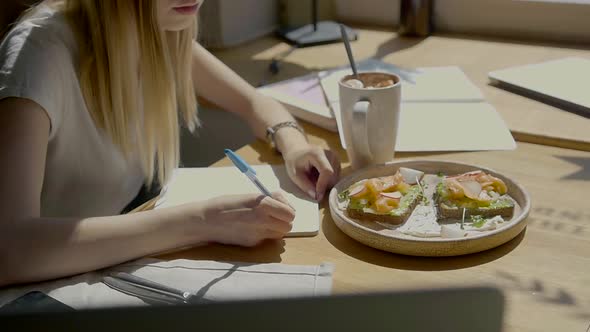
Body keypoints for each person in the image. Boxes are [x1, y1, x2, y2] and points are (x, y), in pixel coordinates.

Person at [0, 0, 341, 287]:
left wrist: (292, 141)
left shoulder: (161, 28)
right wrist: (203, 221)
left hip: (121, 249)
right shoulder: (37, 55)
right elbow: (10, 250)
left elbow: (254, 103)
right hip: (49, 285)